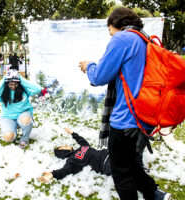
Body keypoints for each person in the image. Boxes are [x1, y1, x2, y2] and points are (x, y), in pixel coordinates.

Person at [78, 7, 169, 200]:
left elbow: (100, 76)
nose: (109, 33)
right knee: (131, 163)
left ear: (115, 24)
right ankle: (154, 194)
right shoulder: (145, 39)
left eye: (109, 29)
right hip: (145, 117)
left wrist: (89, 66)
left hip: (126, 118)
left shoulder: (122, 39)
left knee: (121, 173)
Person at [38, 128, 171, 200]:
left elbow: (81, 140)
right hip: (106, 164)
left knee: (130, 155)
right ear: (62, 153)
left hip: (110, 153)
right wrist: (53, 174)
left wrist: (73, 133)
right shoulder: (72, 160)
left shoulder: (83, 147)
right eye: (62, 147)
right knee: (127, 171)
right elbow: (66, 170)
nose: (65, 145)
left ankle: (148, 185)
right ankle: (155, 194)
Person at [0, 70, 43, 149]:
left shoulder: (24, 90)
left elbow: (38, 89)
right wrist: (3, 80)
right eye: (10, 84)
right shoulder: (3, 93)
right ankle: (13, 129)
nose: (13, 86)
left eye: (15, 84)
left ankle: (24, 139)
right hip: (8, 117)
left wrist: (20, 78)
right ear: (6, 84)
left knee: (26, 120)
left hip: (24, 114)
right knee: (8, 137)